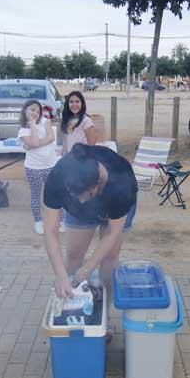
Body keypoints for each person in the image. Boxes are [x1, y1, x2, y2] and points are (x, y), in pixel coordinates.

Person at [42, 144, 138, 301]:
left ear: (95, 186)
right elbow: (50, 231)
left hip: (116, 208)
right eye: (73, 195)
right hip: (80, 214)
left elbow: (113, 233)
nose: (79, 201)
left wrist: (88, 268)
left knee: (109, 257)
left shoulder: (122, 185)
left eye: (82, 196)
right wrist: (61, 276)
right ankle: (69, 303)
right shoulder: (57, 176)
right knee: (73, 255)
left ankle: (105, 311)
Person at [18, 99, 60, 235]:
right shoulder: (23, 130)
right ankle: (38, 222)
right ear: (25, 111)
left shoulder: (45, 121)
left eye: (37, 110)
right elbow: (35, 141)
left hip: (50, 164)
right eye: (32, 109)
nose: (35, 112)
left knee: (54, 193)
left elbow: (51, 137)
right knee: (36, 195)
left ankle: (59, 220)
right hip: (33, 167)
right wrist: (32, 125)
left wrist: (32, 145)